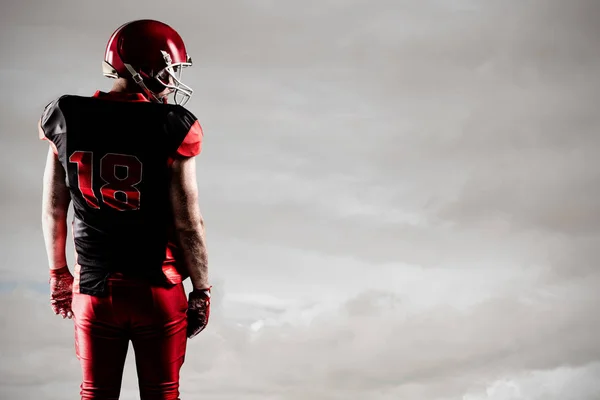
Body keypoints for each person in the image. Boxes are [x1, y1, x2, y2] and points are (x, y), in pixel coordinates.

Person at [39, 19, 211, 400]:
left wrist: (58, 274)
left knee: (94, 393)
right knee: (162, 394)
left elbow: (54, 208)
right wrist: (201, 289)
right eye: (168, 70)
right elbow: (188, 224)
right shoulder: (173, 124)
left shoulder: (65, 115)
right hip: (158, 287)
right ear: (144, 69)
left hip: (94, 288)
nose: (171, 80)